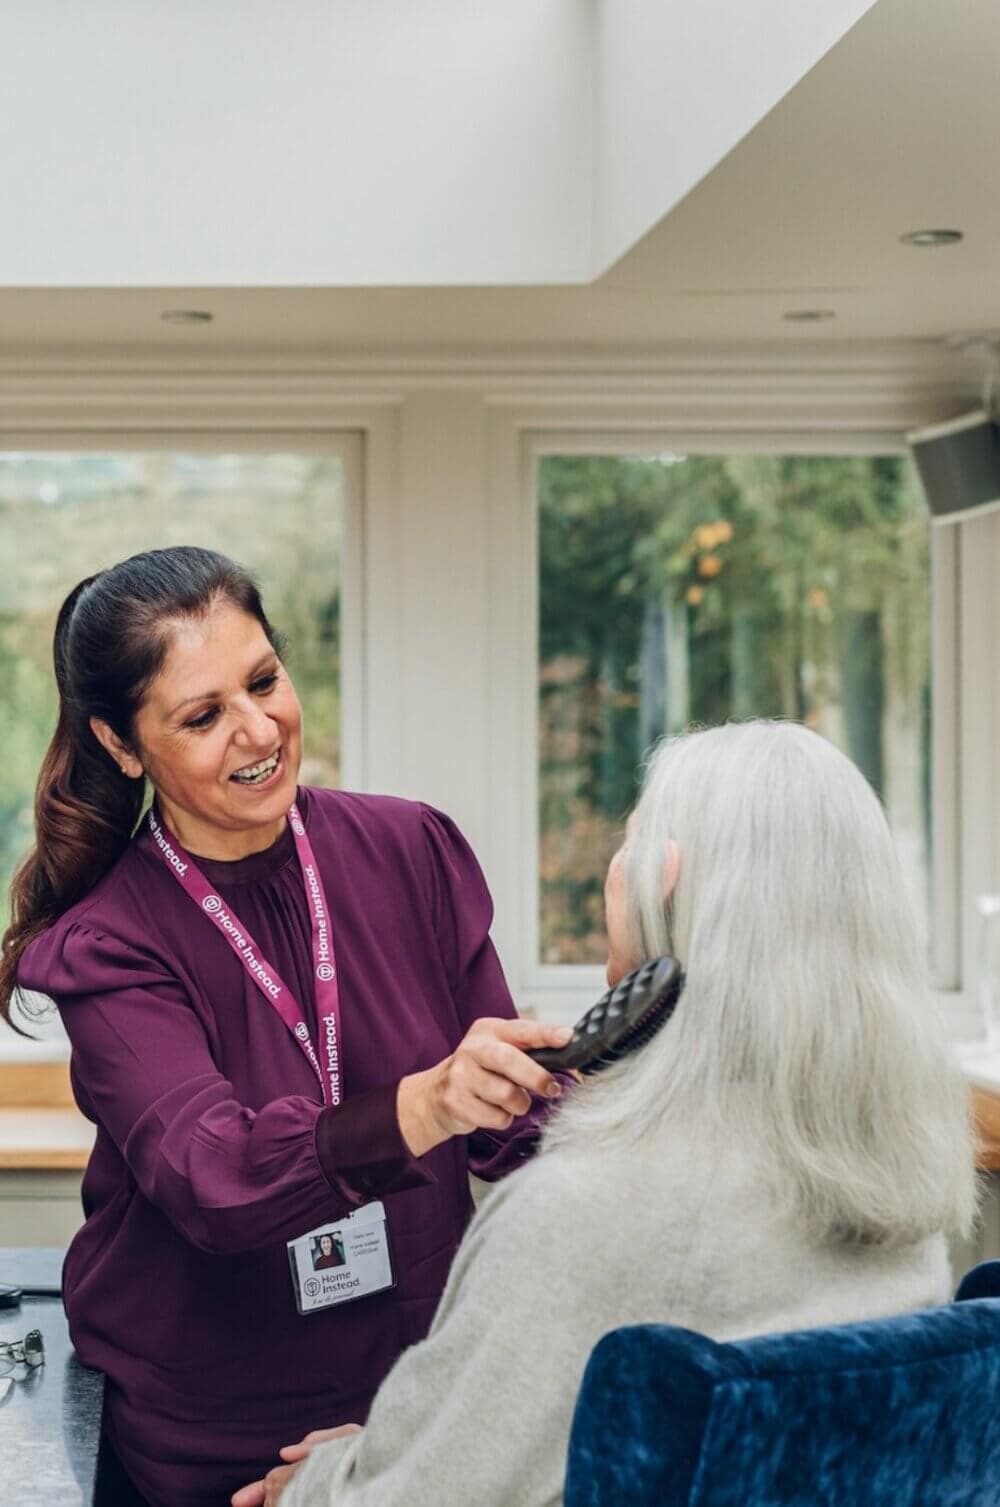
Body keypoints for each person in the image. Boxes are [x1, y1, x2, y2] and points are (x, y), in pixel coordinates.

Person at [233, 720, 977, 1507]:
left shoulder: (577, 1215)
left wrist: (315, 1483)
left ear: (665, 881)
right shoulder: (904, 1200)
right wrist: (393, 1446)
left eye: (628, 841)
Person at [0, 546, 573, 1507]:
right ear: (121, 744)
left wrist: (587, 1088)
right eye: (202, 714)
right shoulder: (109, 942)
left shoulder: (411, 850)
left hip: (408, 1419)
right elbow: (213, 1177)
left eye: (264, 680)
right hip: (210, 1449)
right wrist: (425, 1104)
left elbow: (513, 1130)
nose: (258, 728)